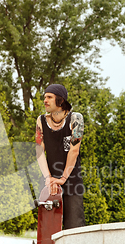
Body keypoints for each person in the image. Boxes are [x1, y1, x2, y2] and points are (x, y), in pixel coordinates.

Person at [35, 84, 86, 229]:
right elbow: (39, 151)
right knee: (48, 226)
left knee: (74, 226)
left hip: (71, 179)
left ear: (60, 100)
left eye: (49, 97)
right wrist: (48, 178)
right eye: (45, 97)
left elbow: (74, 151)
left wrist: (63, 178)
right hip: (49, 181)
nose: (45, 100)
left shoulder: (75, 119)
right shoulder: (41, 121)